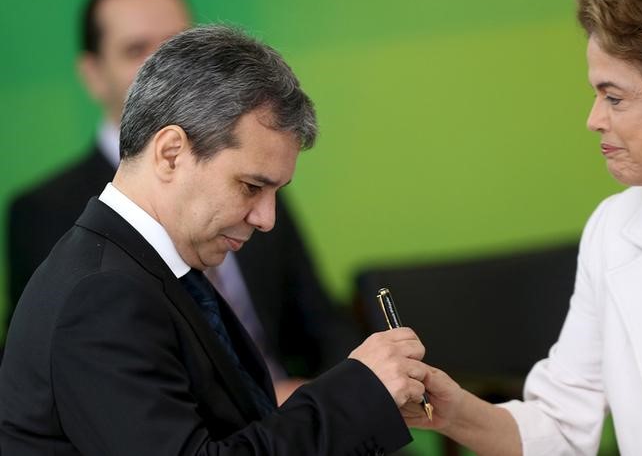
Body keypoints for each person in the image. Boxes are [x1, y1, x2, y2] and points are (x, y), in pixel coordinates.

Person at [0, 25, 429, 454]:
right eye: (250, 187)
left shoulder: (144, 268)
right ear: (171, 153)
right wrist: (358, 392)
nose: (267, 220)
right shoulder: (103, 296)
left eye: (275, 192)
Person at [400, 0, 642, 456]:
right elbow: (561, 426)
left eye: (614, 97)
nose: (594, 119)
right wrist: (452, 409)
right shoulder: (615, 228)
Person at [5, 0, 360, 403]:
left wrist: (350, 395)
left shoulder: (256, 174)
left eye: (177, 45)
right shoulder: (49, 212)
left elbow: (321, 319)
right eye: (137, 49)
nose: (163, 65)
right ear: (94, 74)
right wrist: (301, 410)